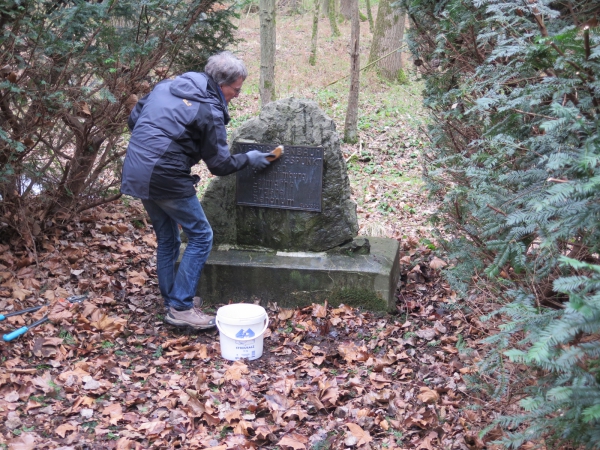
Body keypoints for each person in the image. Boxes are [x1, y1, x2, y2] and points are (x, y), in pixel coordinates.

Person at [121, 51, 271, 329]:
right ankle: (181, 306)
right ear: (221, 83)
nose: (238, 95)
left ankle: (172, 301)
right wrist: (249, 158)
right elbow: (220, 164)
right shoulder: (209, 109)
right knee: (201, 235)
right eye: (236, 89)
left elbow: (134, 121)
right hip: (165, 176)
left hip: (137, 169)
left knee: (168, 238)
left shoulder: (165, 86)